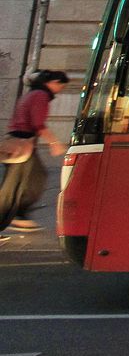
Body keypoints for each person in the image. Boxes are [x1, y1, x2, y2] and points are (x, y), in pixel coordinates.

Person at [1, 70, 70, 235]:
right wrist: (54, 143)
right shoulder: (41, 96)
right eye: (61, 85)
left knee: (33, 179)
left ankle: (20, 214)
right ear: (53, 82)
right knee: (13, 187)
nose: (60, 89)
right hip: (21, 145)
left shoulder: (33, 93)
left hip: (21, 143)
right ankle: (18, 215)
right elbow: (38, 124)